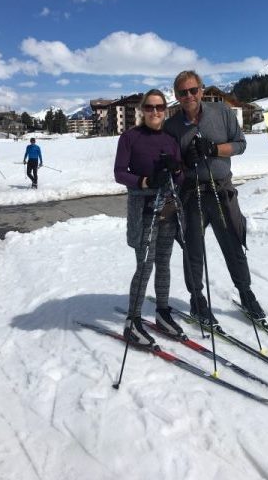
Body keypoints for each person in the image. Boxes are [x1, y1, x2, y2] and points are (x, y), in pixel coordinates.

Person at [164, 70, 266, 324]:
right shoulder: (172, 125)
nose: (189, 96)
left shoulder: (222, 112)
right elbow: (172, 165)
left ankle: (246, 293)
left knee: (233, 243)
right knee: (193, 249)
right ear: (176, 96)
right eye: (182, 92)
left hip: (221, 189)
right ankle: (197, 299)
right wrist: (184, 161)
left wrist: (214, 149)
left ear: (201, 89)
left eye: (193, 90)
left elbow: (240, 144)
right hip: (191, 193)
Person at [114, 89, 184, 346]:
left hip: (167, 207)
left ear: (165, 110)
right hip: (143, 209)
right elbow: (120, 173)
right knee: (145, 264)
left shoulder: (169, 138)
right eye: (150, 107)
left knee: (164, 261)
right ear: (142, 110)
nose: (155, 112)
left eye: (160, 107)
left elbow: (180, 176)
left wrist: (175, 171)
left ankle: (162, 312)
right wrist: (144, 181)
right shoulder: (130, 137)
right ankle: (132, 320)